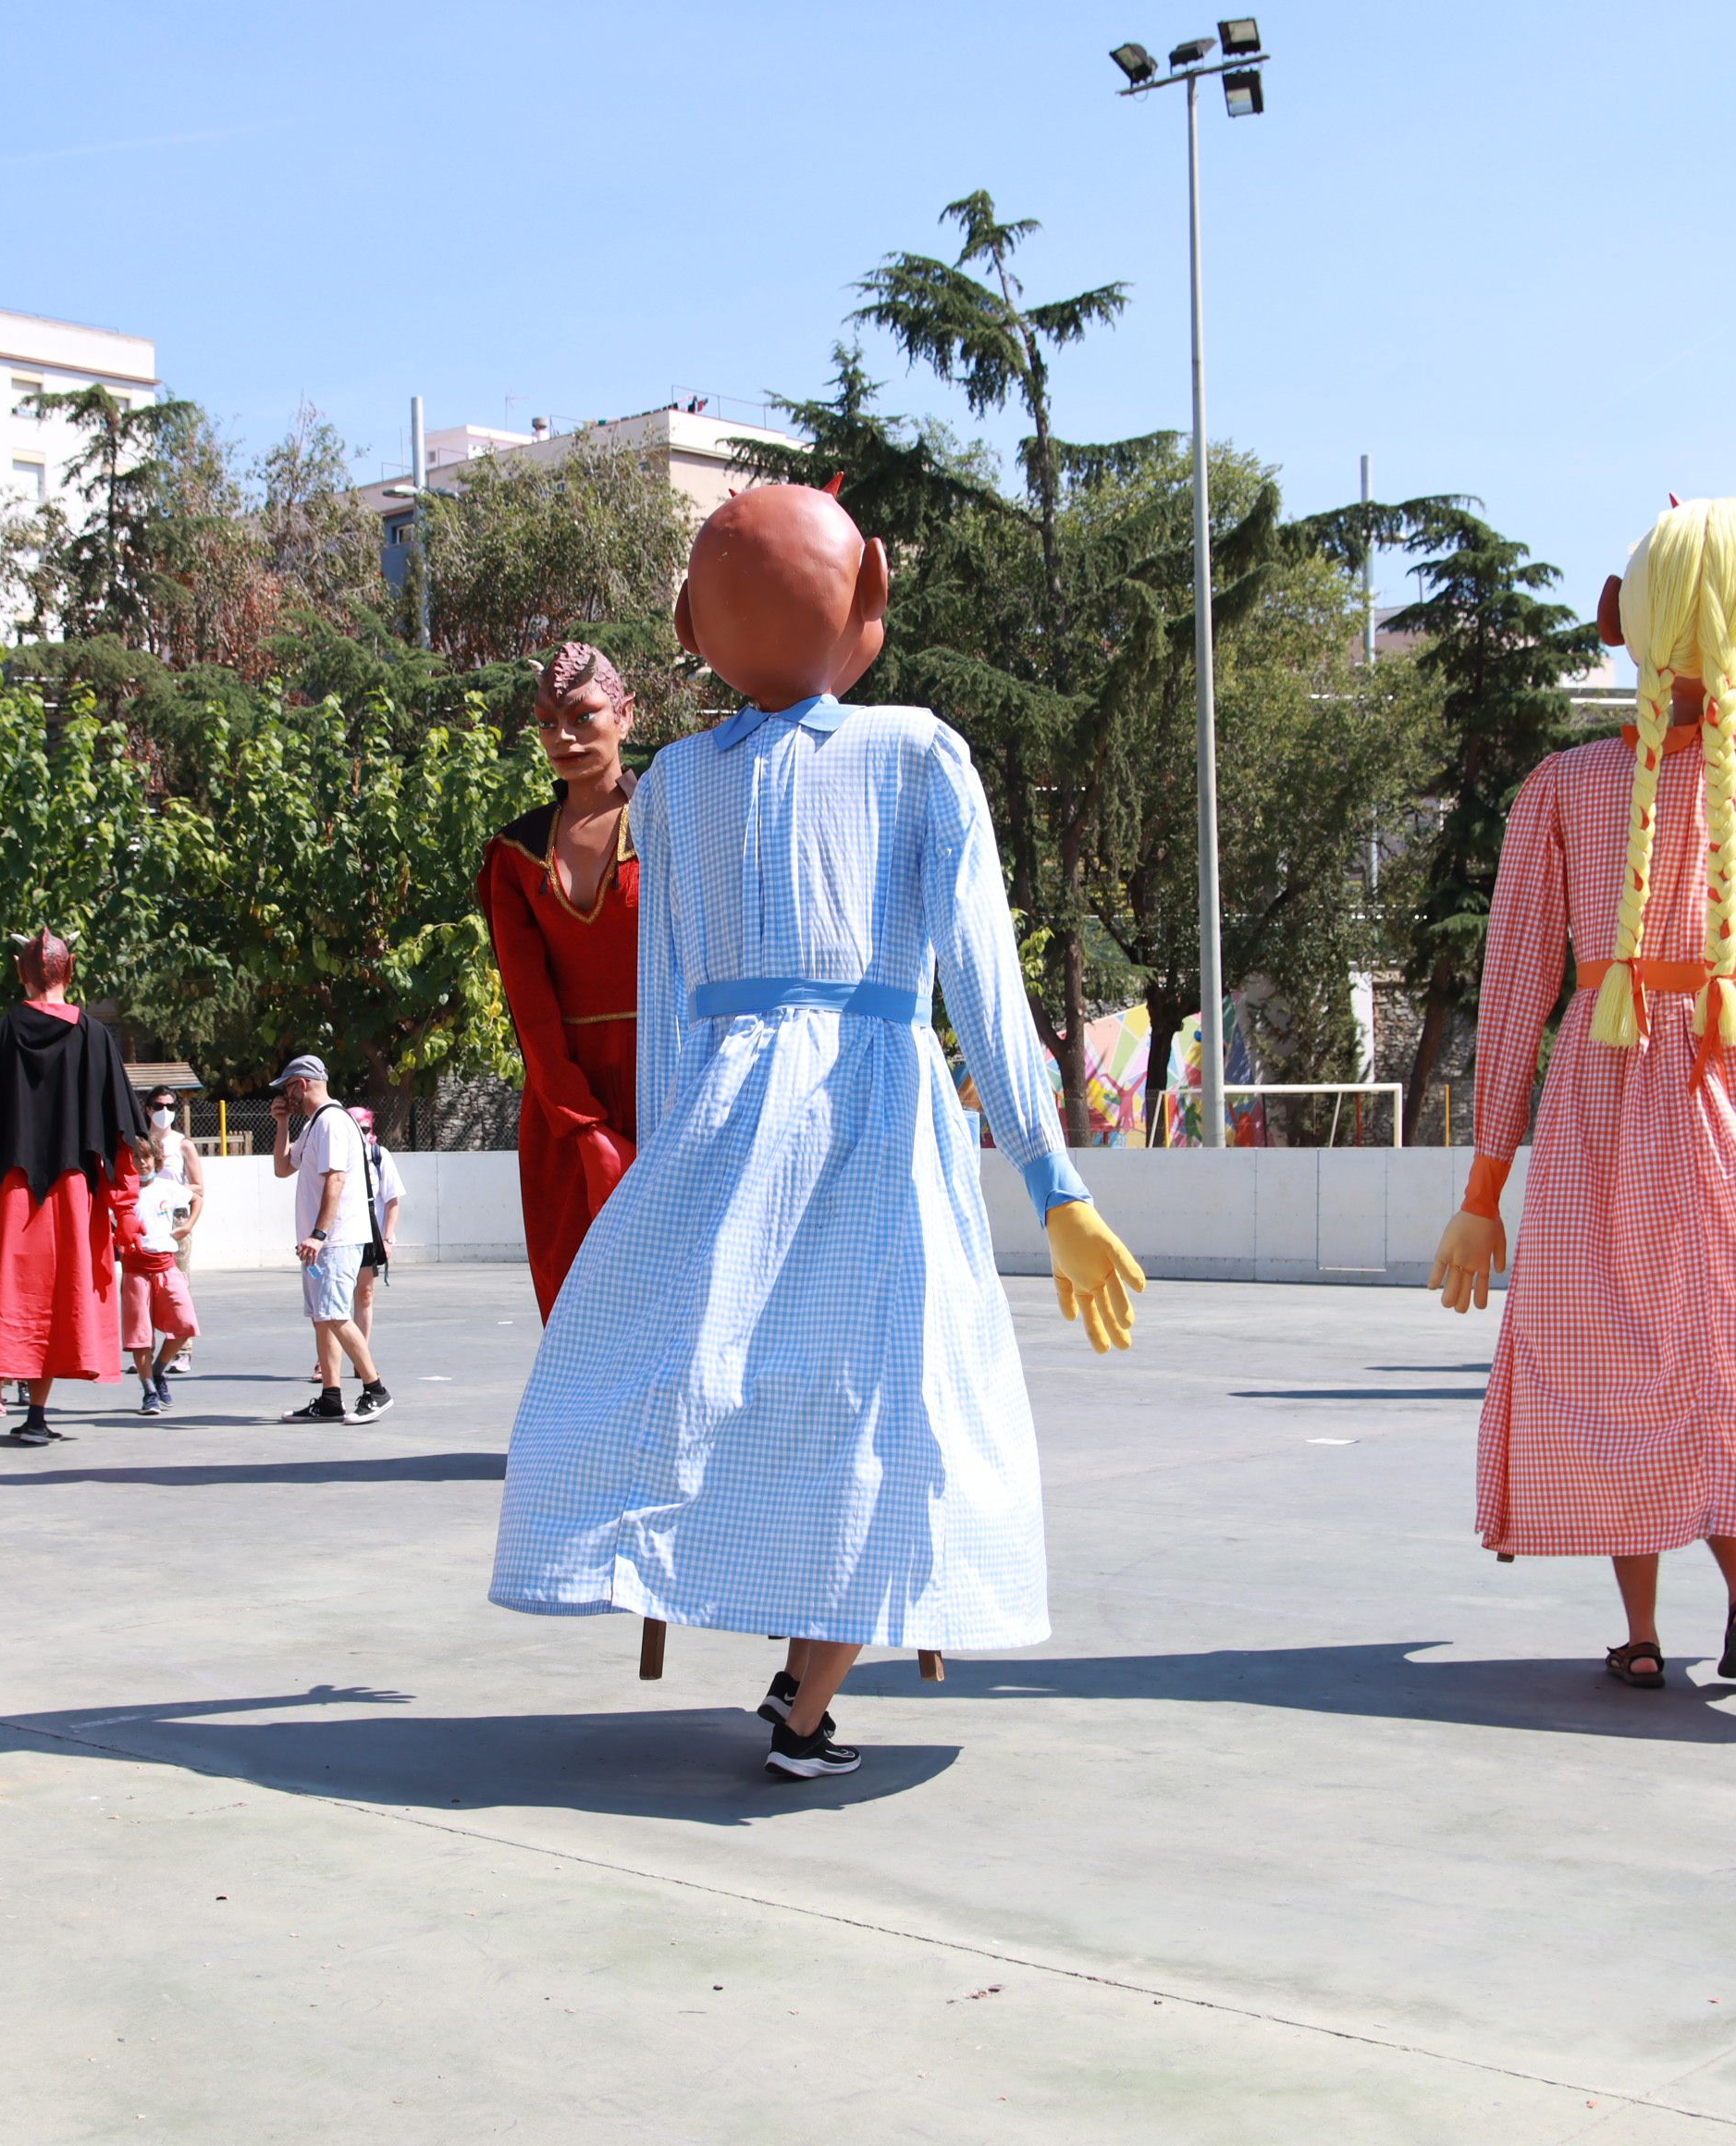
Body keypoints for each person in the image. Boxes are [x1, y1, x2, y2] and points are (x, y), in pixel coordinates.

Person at [487, 482, 1147, 1782]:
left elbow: (672, 999)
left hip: (727, 1121)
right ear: (872, 598)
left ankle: (795, 1674)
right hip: (876, 1111)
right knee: (886, 1396)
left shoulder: (673, 785)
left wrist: (662, 1177)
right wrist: (1054, 1183)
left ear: (689, 622)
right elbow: (985, 988)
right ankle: (805, 1697)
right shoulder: (915, 754)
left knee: (750, 1385)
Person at [1428, 499, 1736, 1693]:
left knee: (1615, 1354)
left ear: (1623, 626)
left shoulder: (1559, 790)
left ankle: (1643, 1636)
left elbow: (1511, 1000)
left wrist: (1484, 1183)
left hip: (1610, 1096)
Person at [478, 642, 642, 1317]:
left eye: (583, 715)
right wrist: (583, 1128)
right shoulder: (514, 855)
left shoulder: (676, 824)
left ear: (627, 716)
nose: (564, 737)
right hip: (563, 1107)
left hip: (671, 1086)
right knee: (582, 1315)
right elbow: (530, 1009)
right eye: (548, 722)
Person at [0, 928, 142, 1448]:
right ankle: (35, 1409)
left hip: (15, 1191)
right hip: (76, 1193)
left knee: (23, 1295)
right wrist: (127, 1214)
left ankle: (33, 1411)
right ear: (70, 967)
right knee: (66, 1295)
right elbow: (121, 1140)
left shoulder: (0, 1035)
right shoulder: (96, 1037)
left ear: (19, 969)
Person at [270, 1055, 388, 1425]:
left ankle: (376, 1390)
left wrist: (319, 1235)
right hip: (321, 1242)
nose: (286, 1095)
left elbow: (335, 1180)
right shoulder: (315, 1123)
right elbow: (282, 1167)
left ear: (302, 1084)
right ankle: (331, 1398)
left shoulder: (333, 1122)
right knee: (323, 1318)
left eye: (288, 1088)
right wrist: (283, 1123)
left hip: (335, 1240)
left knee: (336, 1314)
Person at [120, 1131, 200, 1416]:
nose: (141, 1163)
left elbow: (197, 1197)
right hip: (136, 1269)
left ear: (157, 1159)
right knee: (141, 1335)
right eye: (134, 1158)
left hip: (166, 1264)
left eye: (146, 1157)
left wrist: (188, 1225)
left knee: (184, 1323)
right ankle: (149, 1391)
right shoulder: (122, 1193)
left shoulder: (167, 1187)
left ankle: (158, 1370)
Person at [144, 1085, 206, 1375]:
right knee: (143, 1287)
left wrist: (173, 1192)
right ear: (148, 1109)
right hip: (146, 1220)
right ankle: (145, 1352)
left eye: (170, 1106)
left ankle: (183, 1350)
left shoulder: (183, 1145)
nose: (164, 1111)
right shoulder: (140, 1143)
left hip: (175, 1220)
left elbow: (199, 1188)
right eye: (158, 1106)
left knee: (178, 1283)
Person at [349, 1104, 405, 1360]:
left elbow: (393, 1200)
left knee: (365, 1294)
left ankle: (361, 1359)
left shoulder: (378, 1156)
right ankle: (325, 1361)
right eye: (354, 1128)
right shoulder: (339, 1155)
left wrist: (388, 1238)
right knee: (334, 1301)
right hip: (341, 1236)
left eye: (364, 1128)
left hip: (369, 1238)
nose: (360, 1133)